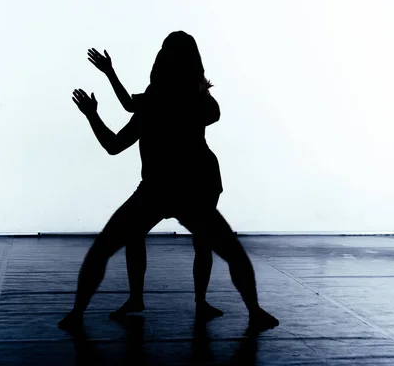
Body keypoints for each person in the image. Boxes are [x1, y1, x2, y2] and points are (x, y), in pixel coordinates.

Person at [59, 31, 279, 335]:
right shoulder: (192, 103)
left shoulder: (155, 104)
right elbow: (205, 111)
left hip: (168, 190)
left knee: (106, 248)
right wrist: (111, 76)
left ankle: (81, 312)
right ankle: (247, 310)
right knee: (225, 251)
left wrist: (92, 115)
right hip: (190, 190)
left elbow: (114, 141)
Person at [86, 47, 223, 321]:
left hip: (179, 185)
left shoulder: (154, 104)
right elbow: (212, 112)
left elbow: (117, 135)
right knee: (200, 241)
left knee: (140, 234)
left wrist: (94, 109)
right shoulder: (194, 101)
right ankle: (199, 302)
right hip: (193, 182)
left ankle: (142, 299)